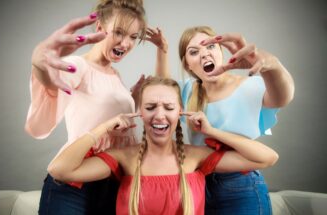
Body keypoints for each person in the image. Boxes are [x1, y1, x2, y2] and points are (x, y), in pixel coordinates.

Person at [47, 76, 279, 215]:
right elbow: (60, 170)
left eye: (168, 108)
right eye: (150, 107)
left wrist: (211, 131)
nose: (159, 116)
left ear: (180, 111)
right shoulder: (123, 157)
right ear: (139, 113)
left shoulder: (194, 157)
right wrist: (103, 128)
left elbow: (267, 158)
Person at [24, 0, 168, 214]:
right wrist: (39, 65)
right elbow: (53, 83)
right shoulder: (79, 66)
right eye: (119, 33)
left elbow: (162, 97)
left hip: (111, 183)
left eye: (133, 37)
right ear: (99, 28)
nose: (126, 43)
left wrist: (133, 97)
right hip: (75, 184)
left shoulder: (115, 76)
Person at [172, 26, 295, 214]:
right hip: (199, 184)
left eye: (211, 47)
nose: (205, 54)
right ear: (188, 64)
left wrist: (273, 65)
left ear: (221, 52)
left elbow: (283, 98)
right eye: (194, 52)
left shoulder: (248, 86)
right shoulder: (188, 90)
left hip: (241, 185)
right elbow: (161, 91)